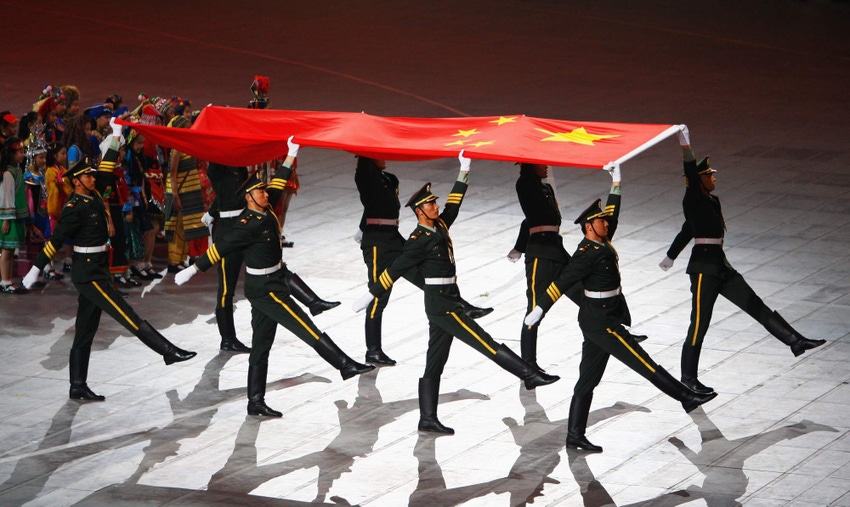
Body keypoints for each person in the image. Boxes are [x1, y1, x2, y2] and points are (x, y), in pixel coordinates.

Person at [353, 153, 558, 435]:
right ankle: (529, 374)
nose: (436, 206)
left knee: (434, 363)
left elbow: (454, 205)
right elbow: (397, 268)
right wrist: (370, 293)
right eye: (430, 204)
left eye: (435, 202)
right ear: (419, 211)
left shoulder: (439, 226)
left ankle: (427, 419)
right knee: (484, 341)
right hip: (442, 306)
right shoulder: (417, 239)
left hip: (446, 301)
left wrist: (463, 172)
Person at [524, 163, 717, 452]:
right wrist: (541, 308)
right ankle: (685, 396)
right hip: (600, 321)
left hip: (602, 318)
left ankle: (575, 435)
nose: (606, 224)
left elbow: (613, 213)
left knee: (587, 380)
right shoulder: (585, 253)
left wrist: (616, 182)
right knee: (642, 360)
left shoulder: (601, 241)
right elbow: (563, 281)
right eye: (600, 222)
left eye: (604, 221)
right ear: (589, 226)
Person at [176, 138, 374, 417]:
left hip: (272, 282)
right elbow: (222, 247)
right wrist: (195, 268)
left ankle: (255, 402)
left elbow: (279, 183)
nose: (266, 194)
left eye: (264, 191)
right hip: (265, 289)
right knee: (304, 326)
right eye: (260, 192)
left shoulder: (266, 209)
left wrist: (291, 154)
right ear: (249, 197)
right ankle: (344, 364)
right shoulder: (246, 224)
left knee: (261, 346)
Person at [658, 126, 825, 395]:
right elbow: (688, 218)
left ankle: (795, 341)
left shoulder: (711, 202)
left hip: (721, 266)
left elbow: (689, 229)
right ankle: (688, 378)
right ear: (698, 179)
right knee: (699, 323)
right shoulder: (693, 198)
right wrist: (684, 144)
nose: (713, 178)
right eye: (708, 175)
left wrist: (670, 256)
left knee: (754, 304)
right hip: (703, 270)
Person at [22, 157, 196, 401]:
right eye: (88, 176)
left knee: (85, 330)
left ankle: (77, 385)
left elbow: (105, 173)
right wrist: (35, 268)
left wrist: (114, 139)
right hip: (88, 274)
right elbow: (57, 239)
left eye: (92, 175)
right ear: (76, 181)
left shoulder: (92, 196)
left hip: (99, 269)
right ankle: (167, 350)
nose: (93, 178)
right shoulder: (74, 207)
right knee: (125, 313)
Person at [354, 156, 493, 366]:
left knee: (423, 277)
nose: (384, 157)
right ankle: (373, 350)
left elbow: (374, 203)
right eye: (378, 154)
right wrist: (363, 228)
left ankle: (462, 306)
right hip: (376, 243)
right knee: (379, 295)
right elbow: (369, 194)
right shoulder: (365, 176)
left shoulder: (389, 179)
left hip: (392, 237)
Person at [203, 155, 340, 354]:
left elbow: (232, 193)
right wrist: (214, 213)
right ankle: (228, 338)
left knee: (276, 267)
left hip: (249, 226)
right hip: (229, 230)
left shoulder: (239, 166)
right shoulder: (217, 166)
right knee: (226, 288)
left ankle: (313, 302)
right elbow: (223, 190)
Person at [164, 99, 208, 272]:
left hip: (186, 191)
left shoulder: (186, 146)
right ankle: (173, 261)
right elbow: (172, 173)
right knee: (176, 227)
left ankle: (180, 259)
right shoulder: (176, 149)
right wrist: (175, 195)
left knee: (184, 227)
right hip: (179, 192)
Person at [0, 137, 28, 293]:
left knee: (10, 251)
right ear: (10, 154)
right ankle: (4, 281)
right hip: (8, 218)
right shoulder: (8, 174)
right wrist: (6, 220)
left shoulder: (17, 170)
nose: (23, 155)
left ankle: (8, 279)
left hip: (15, 217)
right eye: (20, 152)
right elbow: (7, 197)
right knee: (6, 249)